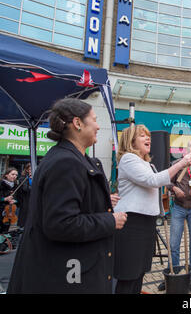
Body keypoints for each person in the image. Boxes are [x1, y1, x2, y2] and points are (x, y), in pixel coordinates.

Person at [8, 98, 127, 293]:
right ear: (78, 123)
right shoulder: (66, 163)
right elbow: (61, 223)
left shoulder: (71, 158)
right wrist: (110, 220)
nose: (98, 126)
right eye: (95, 120)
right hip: (68, 276)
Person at [113, 124, 191, 294]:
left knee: (139, 273)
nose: (148, 138)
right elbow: (153, 181)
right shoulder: (128, 159)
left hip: (146, 222)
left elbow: (160, 180)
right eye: (142, 135)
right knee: (129, 275)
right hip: (131, 222)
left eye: (148, 135)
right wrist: (180, 163)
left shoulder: (145, 163)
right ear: (131, 141)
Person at [159, 139, 191, 292]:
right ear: (186, 149)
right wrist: (174, 189)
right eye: (190, 145)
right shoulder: (178, 163)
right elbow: (166, 180)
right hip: (178, 207)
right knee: (173, 244)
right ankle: (173, 275)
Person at [0, 168, 18, 233]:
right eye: (12, 174)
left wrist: (15, 201)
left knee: (6, 229)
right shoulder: (1, 184)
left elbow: (19, 198)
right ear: (6, 175)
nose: (14, 176)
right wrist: (4, 199)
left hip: (9, 211)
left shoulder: (16, 186)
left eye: (16, 175)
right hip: (1, 209)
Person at [16, 163, 32, 229]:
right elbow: (25, 189)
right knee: (24, 221)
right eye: (30, 169)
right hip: (25, 202)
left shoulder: (37, 177)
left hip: (33, 201)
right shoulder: (23, 178)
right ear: (27, 170)